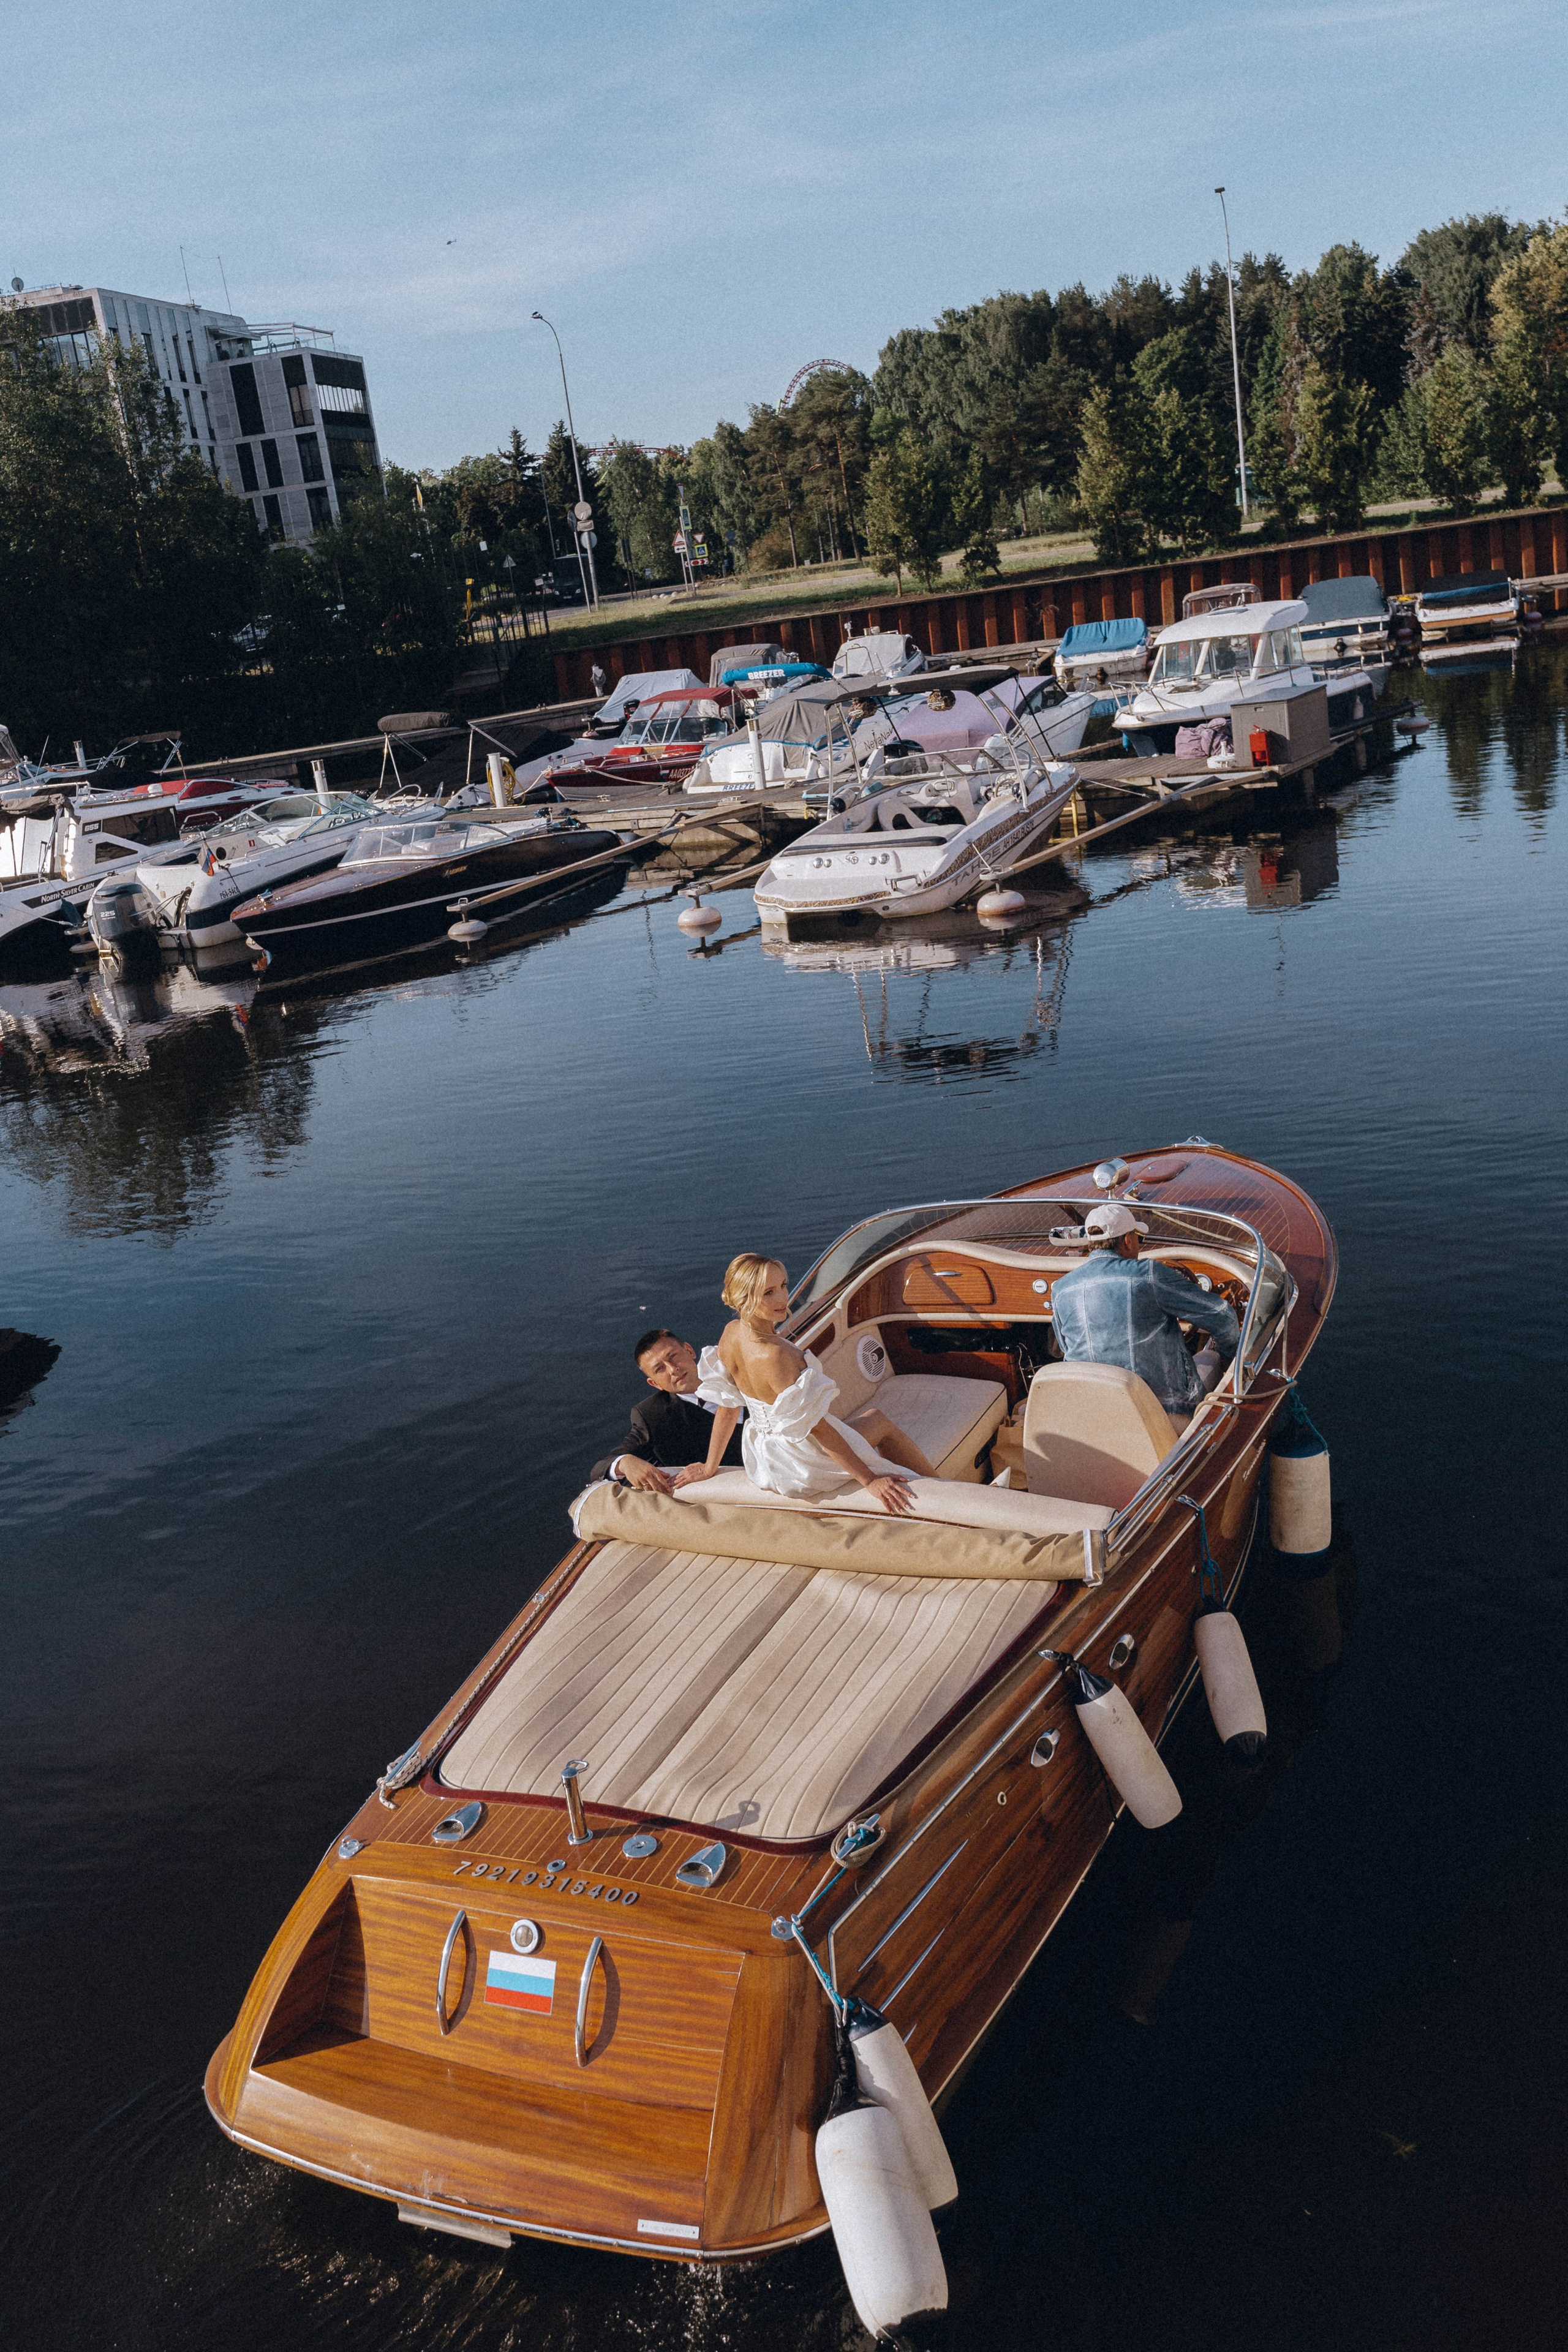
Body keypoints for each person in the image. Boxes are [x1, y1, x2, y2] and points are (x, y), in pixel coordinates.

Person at [674, 1254, 933, 1515]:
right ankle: (944, 1488)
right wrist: (870, 1480)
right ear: (743, 1299)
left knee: (873, 1419)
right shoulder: (776, 1356)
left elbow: (728, 1408)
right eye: (768, 1293)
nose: (783, 1298)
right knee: (879, 1425)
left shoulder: (731, 1333)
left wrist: (709, 1467)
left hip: (764, 1456)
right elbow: (818, 1430)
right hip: (798, 1461)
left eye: (784, 1285)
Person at [1049, 1203, 1240, 1420]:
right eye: (1139, 1238)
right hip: (1163, 1412)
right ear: (1128, 1240)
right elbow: (1224, 1317)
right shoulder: (1149, 1275)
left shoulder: (1061, 1288)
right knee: (1210, 1357)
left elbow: (1066, 1347)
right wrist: (1229, 1357)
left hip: (1095, 1413)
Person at [589, 1329, 745, 1493]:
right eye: (659, 1369)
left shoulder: (734, 1370)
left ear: (690, 1351)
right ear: (655, 1384)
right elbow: (601, 1468)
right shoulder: (652, 1415)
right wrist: (626, 1463)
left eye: (673, 1357)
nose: (672, 1369)